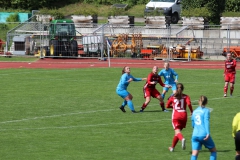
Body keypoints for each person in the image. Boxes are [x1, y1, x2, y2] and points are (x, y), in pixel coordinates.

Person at [166, 83, 193, 152]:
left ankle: (182, 139)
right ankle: (172, 147)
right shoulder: (186, 96)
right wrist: (191, 111)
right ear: (183, 89)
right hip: (184, 115)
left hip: (176, 115)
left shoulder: (172, 97)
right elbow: (189, 103)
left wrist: (173, 106)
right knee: (177, 132)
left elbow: (167, 106)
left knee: (177, 132)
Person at [190, 95, 217, 160]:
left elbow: (193, 124)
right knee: (213, 151)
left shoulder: (194, 111)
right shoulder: (206, 111)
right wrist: (207, 133)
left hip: (195, 134)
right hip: (203, 134)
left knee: (194, 154)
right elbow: (206, 121)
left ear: (198, 101)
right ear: (206, 102)